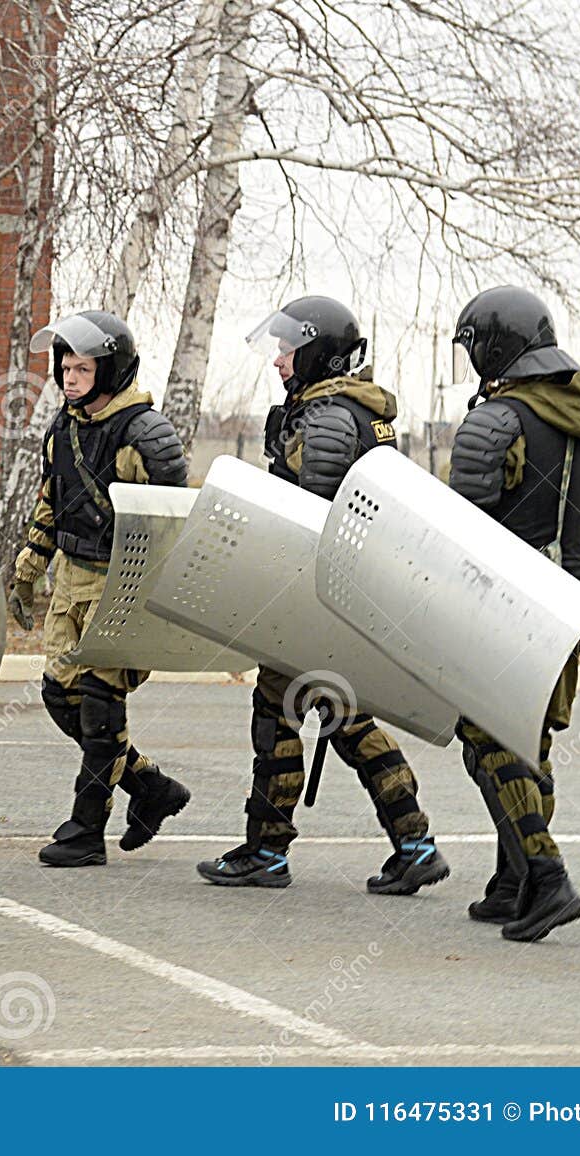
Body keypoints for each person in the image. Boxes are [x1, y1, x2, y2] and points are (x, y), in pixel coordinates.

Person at [196, 296, 449, 894]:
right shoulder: (345, 411)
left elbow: (310, 517)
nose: (278, 361)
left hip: (315, 594)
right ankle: (413, 843)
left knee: (285, 715)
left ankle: (269, 851)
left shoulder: (330, 417)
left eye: (289, 349)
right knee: (339, 713)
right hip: (342, 594)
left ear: (317, 351)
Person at [447, 286, 580, 942]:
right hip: (567, 610)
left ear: (496, 344)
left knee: (490, 738)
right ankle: (513, 878)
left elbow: (460, 531)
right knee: (526, 743)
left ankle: (546, 877)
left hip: (505, 611)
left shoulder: (496, 421)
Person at [7, 309, 193, 867]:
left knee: (99, 706)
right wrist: (27, 568)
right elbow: (50, 500)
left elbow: (171, 525)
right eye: (64, 366)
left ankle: (86, 830)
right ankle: (152, 788)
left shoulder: (146, 435)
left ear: (109, 370)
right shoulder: (62, 427)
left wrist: (161, 601)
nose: (68, 376)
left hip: (123, 585)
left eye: (82, 368)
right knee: (59, 697)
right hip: (70, 581)